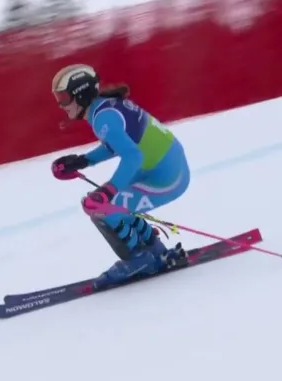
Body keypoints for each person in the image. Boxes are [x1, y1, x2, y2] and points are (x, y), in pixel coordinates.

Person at [49, 64, 190, 288]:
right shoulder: (105, 109)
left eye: (64, 98)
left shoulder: (103, 118)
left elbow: (132, 156)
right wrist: (83, 161)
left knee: (98, 207)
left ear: (80, 94)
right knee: (109, 204)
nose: (61, 105)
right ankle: (155, 251)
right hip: (166, 170)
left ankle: (139, 259)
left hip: (167, 178)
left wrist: (109, 190)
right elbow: (119, 145)